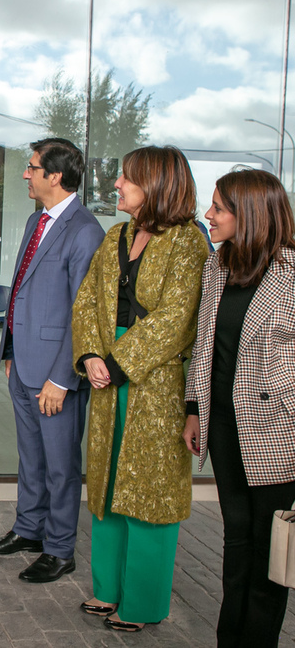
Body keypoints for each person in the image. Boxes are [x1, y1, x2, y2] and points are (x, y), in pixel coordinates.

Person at [72, 145, 208, 631]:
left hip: (157, 381)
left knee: (149, 493)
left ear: (155, 183)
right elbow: (87, 299)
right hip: (107, 370)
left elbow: (178, 318)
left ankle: (144, 604)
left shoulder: (190, 241)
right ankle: (108, 590)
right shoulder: (116, 236)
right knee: (107, 485)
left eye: (125, 178)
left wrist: (117, 362)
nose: (116, 186)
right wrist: (89, 355)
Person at [0, 138, 103, 582]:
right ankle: (29, 530)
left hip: (56, 373)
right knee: (30, 457)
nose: (26, 175)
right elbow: (22, 292)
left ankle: (59, 548)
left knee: (61, 465)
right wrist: (9, 349)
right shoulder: (37, 222)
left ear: (55, 176)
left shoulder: (85, 230)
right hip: (23, 363)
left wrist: (62, 378)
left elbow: (85, 315)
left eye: (32, 168)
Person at [182, 169, 295, 647]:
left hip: (276, 429)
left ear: (250, 216)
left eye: (220, 209)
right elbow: (205, 345)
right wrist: (193, 408)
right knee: (237, 539)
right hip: (224, 426)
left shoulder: (291, 273)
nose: (209, 215)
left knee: (272, 552)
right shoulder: (217, 266)